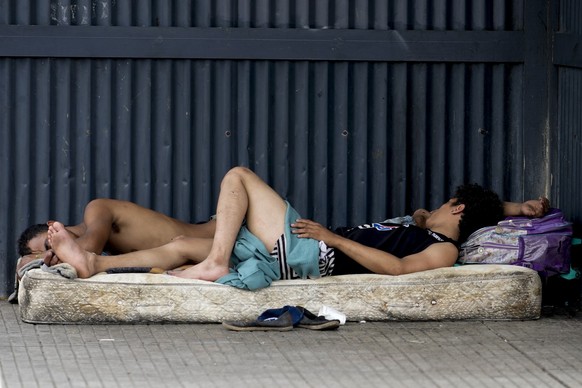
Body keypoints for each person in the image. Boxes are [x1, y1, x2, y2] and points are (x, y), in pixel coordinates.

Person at [44, 167, 550, 290]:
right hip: (307, 246)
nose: (432, 209)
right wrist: (517, 208)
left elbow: (396, 267)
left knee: (238, 176)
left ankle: (217, 263)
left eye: (446, 205)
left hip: (313, 254)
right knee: (179, 244)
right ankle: (94, 264)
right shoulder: (419, 225)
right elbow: (466, 210)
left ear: (457, 211)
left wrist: (332, 238)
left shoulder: (441, 251)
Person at [16, 199, 216, 276]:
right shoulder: (109, 254)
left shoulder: (96, 210)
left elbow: (90, 246)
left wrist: (38, 259)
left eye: (49, 244)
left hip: (220, 232)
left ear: (54, 226)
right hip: (200, 253)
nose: (53, 254)